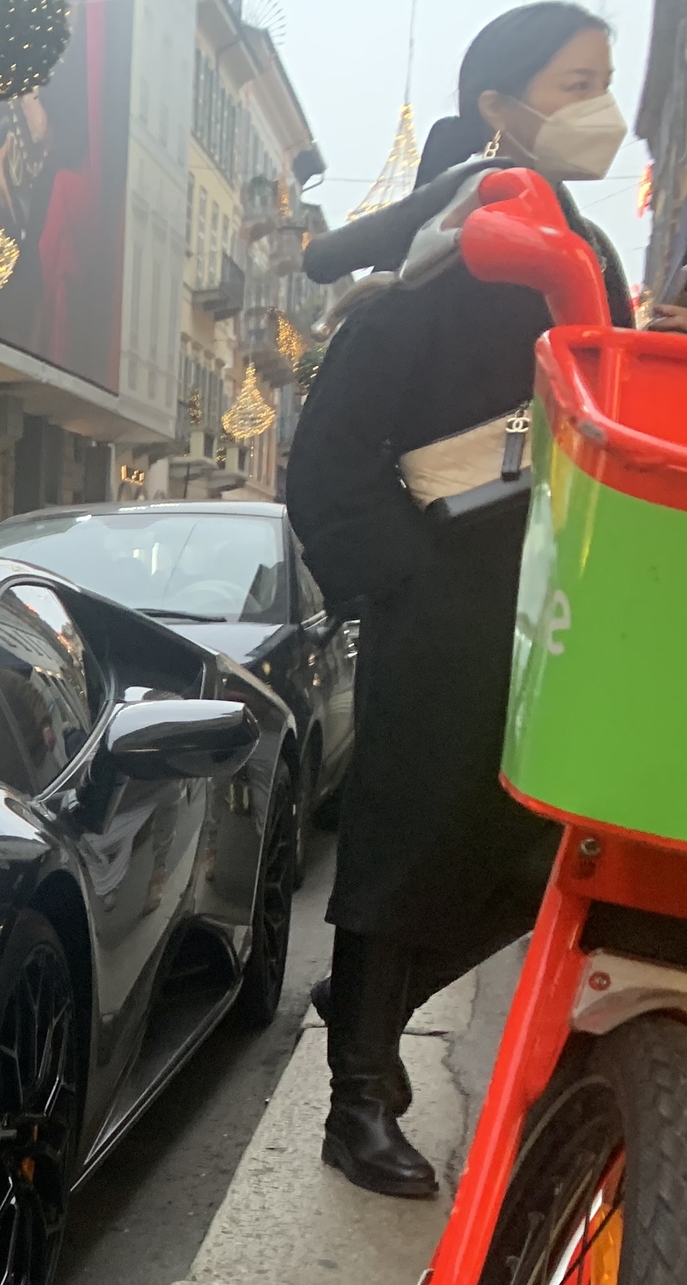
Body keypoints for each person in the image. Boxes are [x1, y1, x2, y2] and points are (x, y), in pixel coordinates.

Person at [285, 2, 636, 1199]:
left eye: (606, 75)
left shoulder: (588, 245)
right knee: (402, 840)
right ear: (497, 104)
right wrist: (404, 578)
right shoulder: (434, 252)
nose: (601, 100)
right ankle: (359, 1095)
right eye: (575, 78)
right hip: (440, 594)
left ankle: (372, 999)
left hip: (562, 605)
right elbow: (326, 460)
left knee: (538, 844)